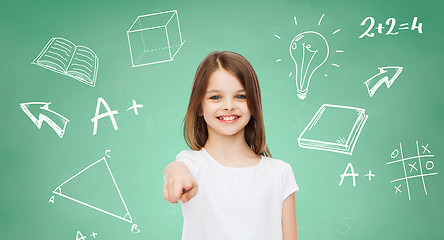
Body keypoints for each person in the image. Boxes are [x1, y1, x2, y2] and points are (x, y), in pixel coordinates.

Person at [163, 51, 298, 240]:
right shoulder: (191, 165)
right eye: (215, 97)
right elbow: (176, 169)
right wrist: (177, 177)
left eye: (240, 96)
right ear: (200, 106)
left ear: (253, 103)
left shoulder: (280, 172)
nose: (228, 106)